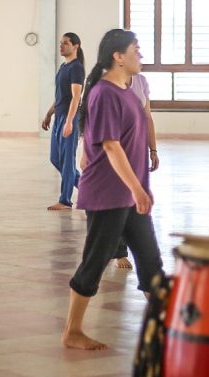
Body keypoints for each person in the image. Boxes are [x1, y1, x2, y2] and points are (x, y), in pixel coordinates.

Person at [63, 29, 164, 350]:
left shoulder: (126, 91)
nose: (141, 55)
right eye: (136, 49)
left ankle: (167, 329)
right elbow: (110, 146)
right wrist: (137, 188)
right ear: (118, 56)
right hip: (109, 194)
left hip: (130, 195)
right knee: (95, 261)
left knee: (150, 261)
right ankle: (73, 332)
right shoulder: (104, 93)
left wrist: (139, 188)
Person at [81, 72, 160, 270]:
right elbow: (91, 121)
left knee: (130, 203)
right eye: (134, 50)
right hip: (111, 151)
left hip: (136, 150)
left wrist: (153, 149)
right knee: (115, 202)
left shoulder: (141, 82)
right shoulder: (104, 84)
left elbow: (147, 117)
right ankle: (115, 252)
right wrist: (85, 152)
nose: (138, 55)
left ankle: (128, 254)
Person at [41, 32, 85, 211]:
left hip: (69, 118)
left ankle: (65, 201)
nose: (61, 46)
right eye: (61, 43)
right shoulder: (63, 67)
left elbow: (76, 97)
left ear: (76, 46)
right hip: (59, 116)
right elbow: (61, 96)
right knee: (55, 158)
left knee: (67, 161)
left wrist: (69, 121)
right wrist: (49, 113)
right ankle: (88, 189)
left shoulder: (76, 67)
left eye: (65, 43)